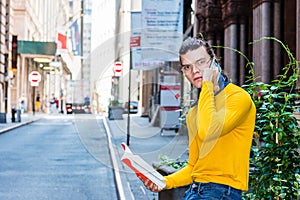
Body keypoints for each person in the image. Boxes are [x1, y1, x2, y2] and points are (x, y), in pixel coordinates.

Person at [139, 37, 256, 199]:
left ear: (214, 62)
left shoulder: (238, 97)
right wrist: (165, 182)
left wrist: (208, 84)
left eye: (200, 62)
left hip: (222, 192)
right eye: (187, 67)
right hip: (195, 191)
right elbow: (194, 167)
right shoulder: (195, 112)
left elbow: (209, 130)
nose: (194, 71)